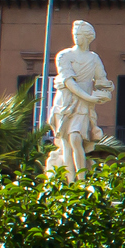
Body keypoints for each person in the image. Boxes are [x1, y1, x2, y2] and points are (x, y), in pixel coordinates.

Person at [44, 21, 115, 179]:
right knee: (66, 144)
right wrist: (90, 97)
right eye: (75, 34)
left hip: (83, 104)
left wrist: (106, 92)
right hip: (65, 102)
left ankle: (81, 181)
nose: (76, 38)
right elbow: (69, 82)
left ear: (88, 38)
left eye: (80, 35)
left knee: (75, 138)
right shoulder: (64, 55)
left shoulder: (93, 59)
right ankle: (70, 182)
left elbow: (102, 81)